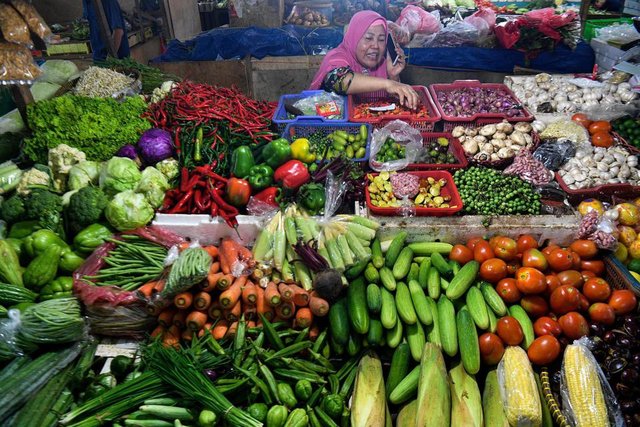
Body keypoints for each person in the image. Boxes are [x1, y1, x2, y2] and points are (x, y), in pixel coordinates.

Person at [309, 10, 419, 110]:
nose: (375, 46)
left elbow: (390, 108)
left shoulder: (383, 64)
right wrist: (388, 83)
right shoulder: (336, 57)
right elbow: (337, 79)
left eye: (381, 40)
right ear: (354, 37)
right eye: (368, 38)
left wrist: (393, 76)